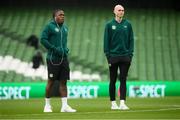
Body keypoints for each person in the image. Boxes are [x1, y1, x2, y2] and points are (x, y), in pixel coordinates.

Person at [40, 9, 76, 112]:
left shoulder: (65, 28)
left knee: (63, 83)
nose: (63, 16)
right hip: (53, 59)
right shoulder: (49, 26)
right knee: (51, 82)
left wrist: (65, 49)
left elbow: (63, 43)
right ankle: (47, 106)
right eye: (60, 15)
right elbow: (43, 39)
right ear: (55, 17)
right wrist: (54, 49)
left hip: (63, 59)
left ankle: (64, 106)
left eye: (63, 15)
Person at [104, 5, 134, 110]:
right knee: (112, 80)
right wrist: (108, 56)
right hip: (113, 56)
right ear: (114, 11)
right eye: (119, 10)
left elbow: (131, 40)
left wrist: (130, 55)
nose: (121, 12)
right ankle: (113, 103)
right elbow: (106, 42)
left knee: (123, 80)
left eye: (123, 10)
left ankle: (122, 103)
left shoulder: (128, 24)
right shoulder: (109, 25)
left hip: (125, 57)